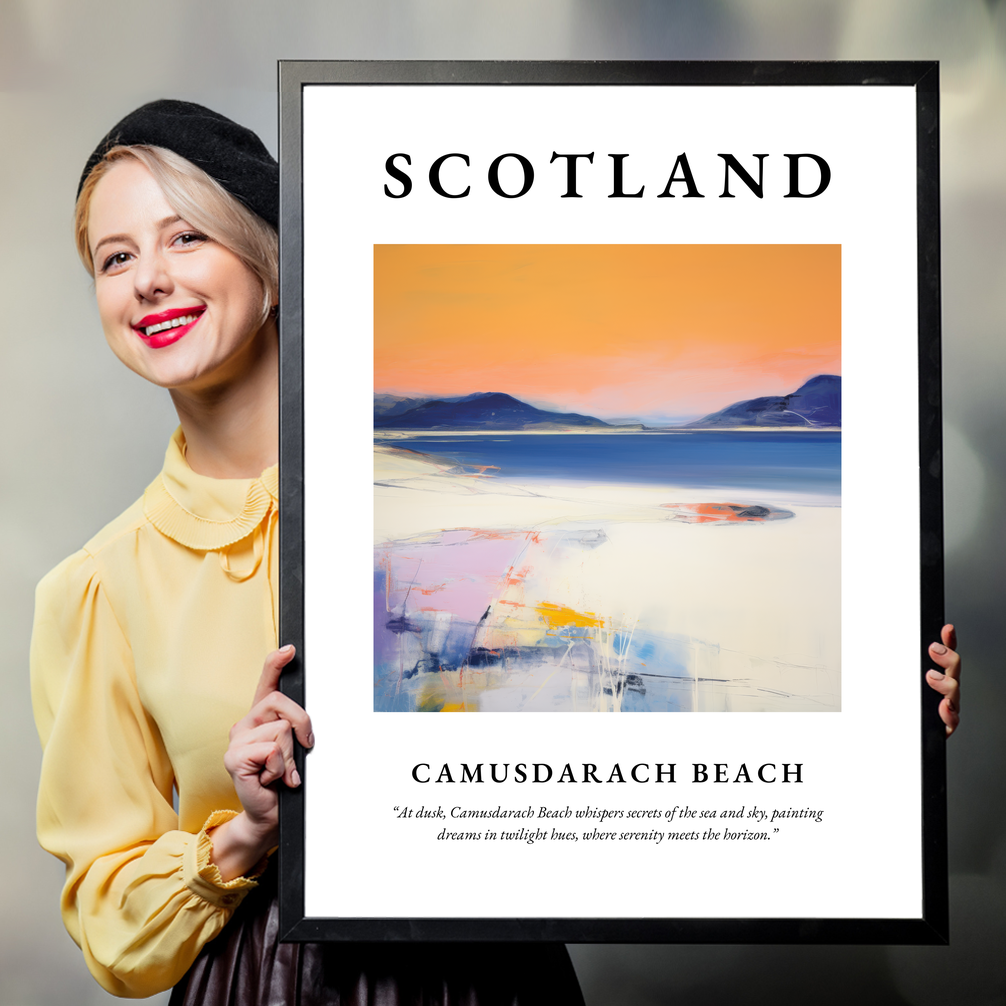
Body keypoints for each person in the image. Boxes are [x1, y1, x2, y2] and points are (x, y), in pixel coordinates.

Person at [30, 100, 586, 1004]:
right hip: (262, 982)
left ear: (272, 263)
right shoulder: (97, 587)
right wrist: (245, 832)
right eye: (116, 257)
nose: (148, 281)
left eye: (186, 238)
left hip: (491, 973)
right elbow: (109, 922)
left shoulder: (456, 503)